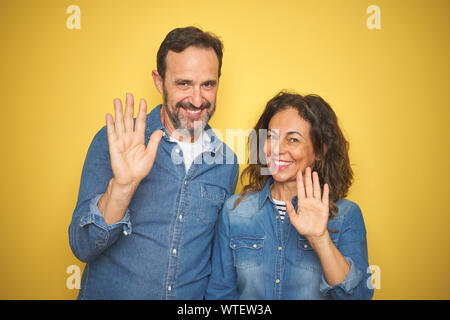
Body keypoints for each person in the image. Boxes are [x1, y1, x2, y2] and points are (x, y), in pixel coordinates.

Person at [68, 26, 239, 299]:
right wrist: (123, 187)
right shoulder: (116, 141)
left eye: (207, 84)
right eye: (183, 83)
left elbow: (215, 263)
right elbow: (83, 247)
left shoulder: (227, 163)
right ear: (159, 82)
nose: (197, 99)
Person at [206, 91, 373, 299]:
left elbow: (358, 296)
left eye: (293, 139)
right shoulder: (235, 211)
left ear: (319, 151)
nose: (277, 149)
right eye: (270, 137)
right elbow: (221, 294)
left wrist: (320, 240)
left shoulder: (346, 215)